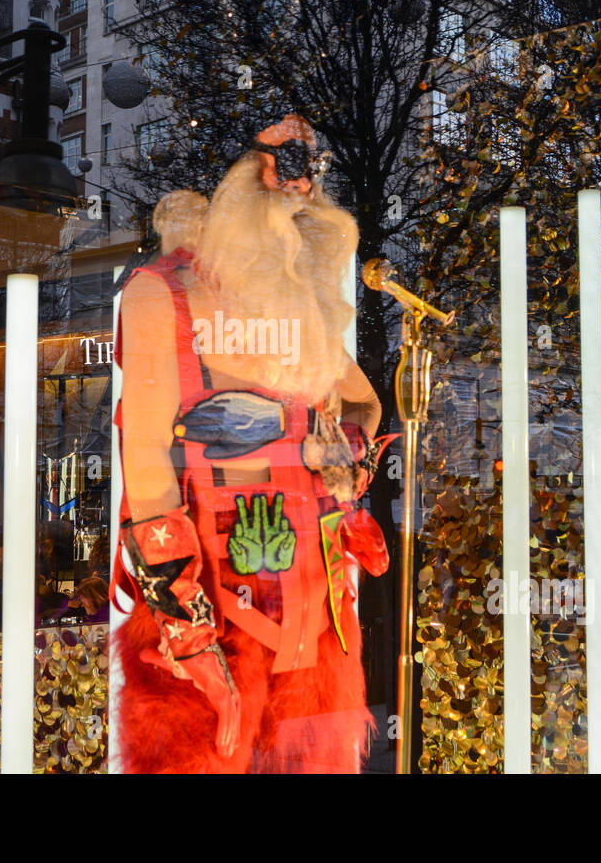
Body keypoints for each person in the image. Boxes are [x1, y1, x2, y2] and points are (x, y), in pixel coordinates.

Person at [111, 114, 393, 773]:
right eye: (286, 175)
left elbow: (360, 402)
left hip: (314, 614)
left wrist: (343, 467)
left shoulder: (299, 310)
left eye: (311, 179)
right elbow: (148, 462)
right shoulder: (163, 296)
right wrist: (185, 625)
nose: (301, 196)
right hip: (210, 608)